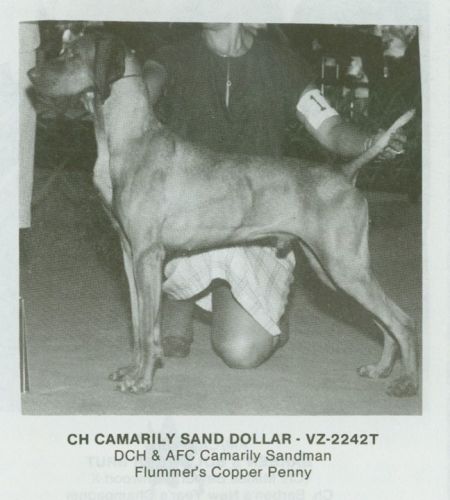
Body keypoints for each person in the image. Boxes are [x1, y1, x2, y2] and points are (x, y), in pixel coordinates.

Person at [148, 23, 405, 368]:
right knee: (171, 242)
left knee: (241, 350)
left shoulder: (282, 61)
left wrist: (366, 143)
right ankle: (178, 296)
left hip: (259, 223)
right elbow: (137, 95)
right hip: (190, 223)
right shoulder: (169, 56)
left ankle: (263, 308)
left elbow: (329, 127)